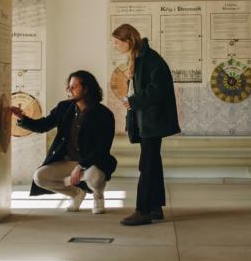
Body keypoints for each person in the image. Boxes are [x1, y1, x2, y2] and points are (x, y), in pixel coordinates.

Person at [10, 70, 116, 214]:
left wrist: (80, 166)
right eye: (69, 86)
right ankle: (76, 194)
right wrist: (22, 118)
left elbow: (102, 148)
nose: (68, 90)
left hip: (93, 162)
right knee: (39, 177)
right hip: (68, 162)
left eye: (73, 87)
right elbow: (43, 126)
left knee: (93, 176)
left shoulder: (104, 114)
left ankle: (98, 196)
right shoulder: (64, 108)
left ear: (86, 89)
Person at [112, 24, 180, 226]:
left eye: (117, 42)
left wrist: (133, 101)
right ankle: (155, 208)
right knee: (152, 164)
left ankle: (142, 210)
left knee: (147, 165)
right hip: (148, 121)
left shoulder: (150, 59)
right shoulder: (141, 58)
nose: (115, 46)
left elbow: (158, 89)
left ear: (128, 41)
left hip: (152, 122)